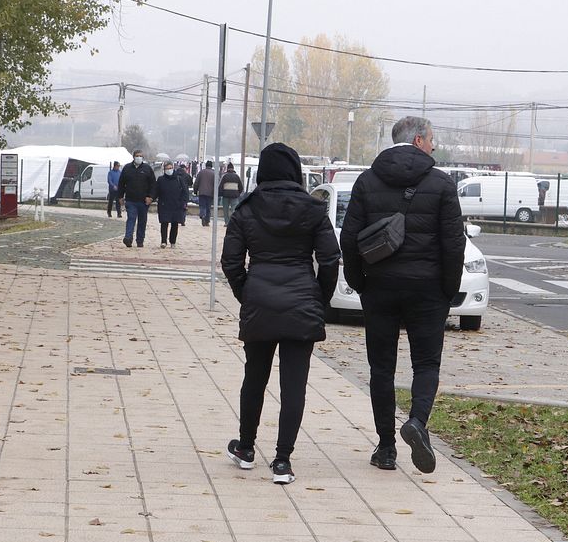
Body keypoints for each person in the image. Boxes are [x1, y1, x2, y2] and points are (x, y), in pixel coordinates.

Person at [339, 116, 465, 474]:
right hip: (428, 290)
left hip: (379, 287)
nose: (434, 146)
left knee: (381, 367)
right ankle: (417, 422)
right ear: (419, 141)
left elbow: (349, 237)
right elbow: (453, 243)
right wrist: (448, 289)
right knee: (426, 363)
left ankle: (385, 448)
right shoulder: (441, 184)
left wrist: (359, 282)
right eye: (432, 139)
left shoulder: (367, 181)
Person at [222, 143, 340, 485]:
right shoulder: (313, 209)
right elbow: (330, 260)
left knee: (254, 377)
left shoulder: (246, 209)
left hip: (259, 302)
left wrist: (247, 294)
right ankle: (283, 461)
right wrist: (319, 298)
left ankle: (246, 448)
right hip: (302, 303)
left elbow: (231, 261)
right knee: (294, 385)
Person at [117, 149, 156, 248]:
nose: (139, 157)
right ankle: (128, 237)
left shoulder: (147, 169)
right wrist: (120, 196)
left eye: (140, 156)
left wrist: (151, 197)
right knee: (131, 218)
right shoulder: (127, 168)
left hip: (143, 201)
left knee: (142, 221)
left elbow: (153, 184)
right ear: (133, 157)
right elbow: (121, 183)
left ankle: (140, 240)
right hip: (131, 200)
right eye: (137, 156)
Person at [154, 161, 188, 249]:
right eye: (167, 168)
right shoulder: (161, 180)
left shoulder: (179, 179)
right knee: (164, 223)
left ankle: (173, 241)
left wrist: (183, 202)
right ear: (164, 170)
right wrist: (151, 198)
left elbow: (185, 192)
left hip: (176, 205)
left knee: (175, 224)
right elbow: (156, 191)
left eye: (170, 168)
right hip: (164, 205)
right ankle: (163, 241)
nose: (169, 170)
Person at [193, 161, 216, 226]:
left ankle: (203, 215)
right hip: (210, 193)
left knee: (202, 206)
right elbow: (216, 184)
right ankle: (207, 221)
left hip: (202, 192)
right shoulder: (214, 173)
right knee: (208, 207)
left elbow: (196, 183)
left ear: (206, 165)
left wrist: (195, 191)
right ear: (211, 166)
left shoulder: (201, 172)